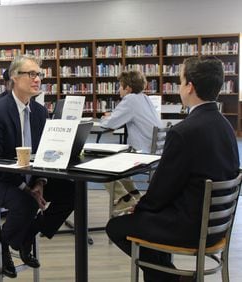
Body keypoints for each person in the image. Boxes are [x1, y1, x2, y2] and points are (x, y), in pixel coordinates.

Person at [106, 57, 240, 282]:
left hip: (190, 227)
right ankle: (169, 275)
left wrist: (139, 207)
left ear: (190, 86)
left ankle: (171, 279)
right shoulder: (226, 125)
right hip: (217, 225)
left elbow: (162, 190)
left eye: (180, 82)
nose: (179, 87)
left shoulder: (183, 132)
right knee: (150, 218)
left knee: (117, 227)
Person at [0, 54, 75, 278]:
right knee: (26, 202)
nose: (37, 79)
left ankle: (27, 235)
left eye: (39, 74)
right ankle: (3, 243)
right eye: (31, 74)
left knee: (71, 191)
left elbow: (44, 153)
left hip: (30, 177)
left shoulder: (39, 112)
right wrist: (25, 188)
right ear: (14, 78)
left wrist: (40, 181)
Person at [100, 70, 162, 213]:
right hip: (154, 151)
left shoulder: (130, 99)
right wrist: (113, 116)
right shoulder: (144, 98)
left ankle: (123, 199)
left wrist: (104, 118)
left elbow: (110, 124)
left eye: (120, 86)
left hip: (142, 152)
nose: (119, 89)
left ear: (127, 88)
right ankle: (134, 196)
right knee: (116, 160)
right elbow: (123, 116)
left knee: (102, 165)